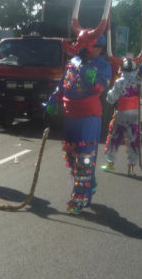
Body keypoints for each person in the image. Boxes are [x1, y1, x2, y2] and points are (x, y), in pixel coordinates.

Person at [46, 30, 112, 214]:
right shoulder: (71, 63)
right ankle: (88, 182)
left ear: (99, 49)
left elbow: (99, 87)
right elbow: (63, 85)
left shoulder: (103, 66)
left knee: (84, 158)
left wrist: (86, 69)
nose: (91, 50)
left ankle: (79, 198)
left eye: (95, 47)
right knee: (71, 157)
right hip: (70, 117)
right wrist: (53, 99)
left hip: (88, 118)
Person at [102, 58, 142, 175]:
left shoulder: (120, 82)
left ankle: (110, 163)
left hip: (121, 114)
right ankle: (131, 166)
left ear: (123, 70)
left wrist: (108, 93)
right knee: (133, 140)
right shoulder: (139, 82)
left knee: (115, 138)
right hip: (134, 116)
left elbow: (111, 99)